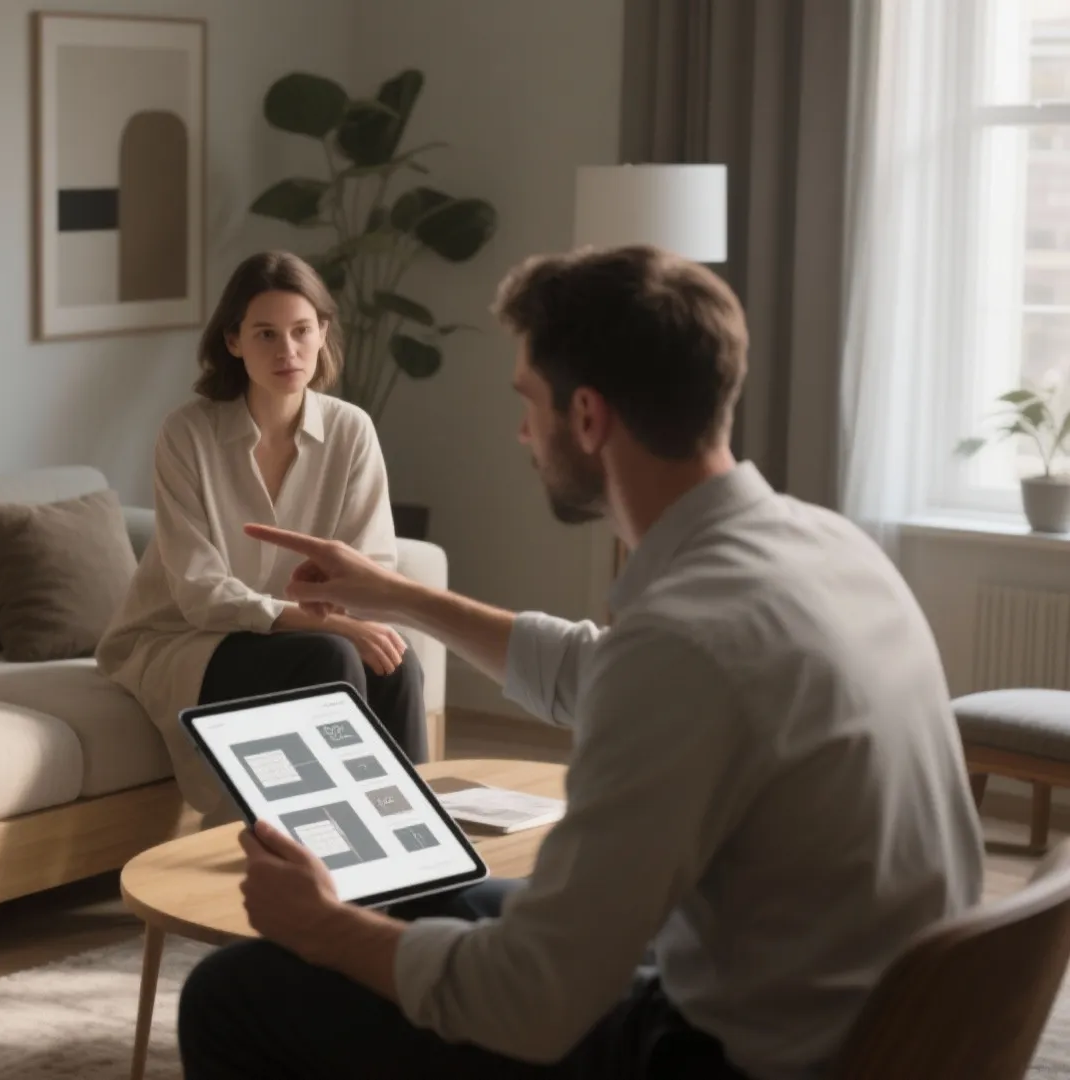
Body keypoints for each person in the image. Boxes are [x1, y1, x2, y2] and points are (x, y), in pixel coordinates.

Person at [175, 245, 986, 1079]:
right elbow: (605, 672)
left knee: (230, 995)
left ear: (588, 417)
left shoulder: (682, 640)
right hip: (857, 1014)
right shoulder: (824, 546)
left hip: (739, 1056)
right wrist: (402, 597)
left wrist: (322, 926)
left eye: (529, 402)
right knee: (439, 897)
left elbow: (529, 1001)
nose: (523, 432)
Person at [97, 251, 426, 818]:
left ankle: (418, 846)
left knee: (398, 664)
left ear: (322, 333)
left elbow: (370, 565)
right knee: (331, 655)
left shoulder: (351, 431)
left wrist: (350, 621)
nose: (287, 351)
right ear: (233, 341)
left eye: (301, 331)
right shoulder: (187, 434)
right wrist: (336, 622)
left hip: (288, 633)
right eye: (266, 334)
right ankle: (316, 848)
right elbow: (202, 594)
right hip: (184, 638)